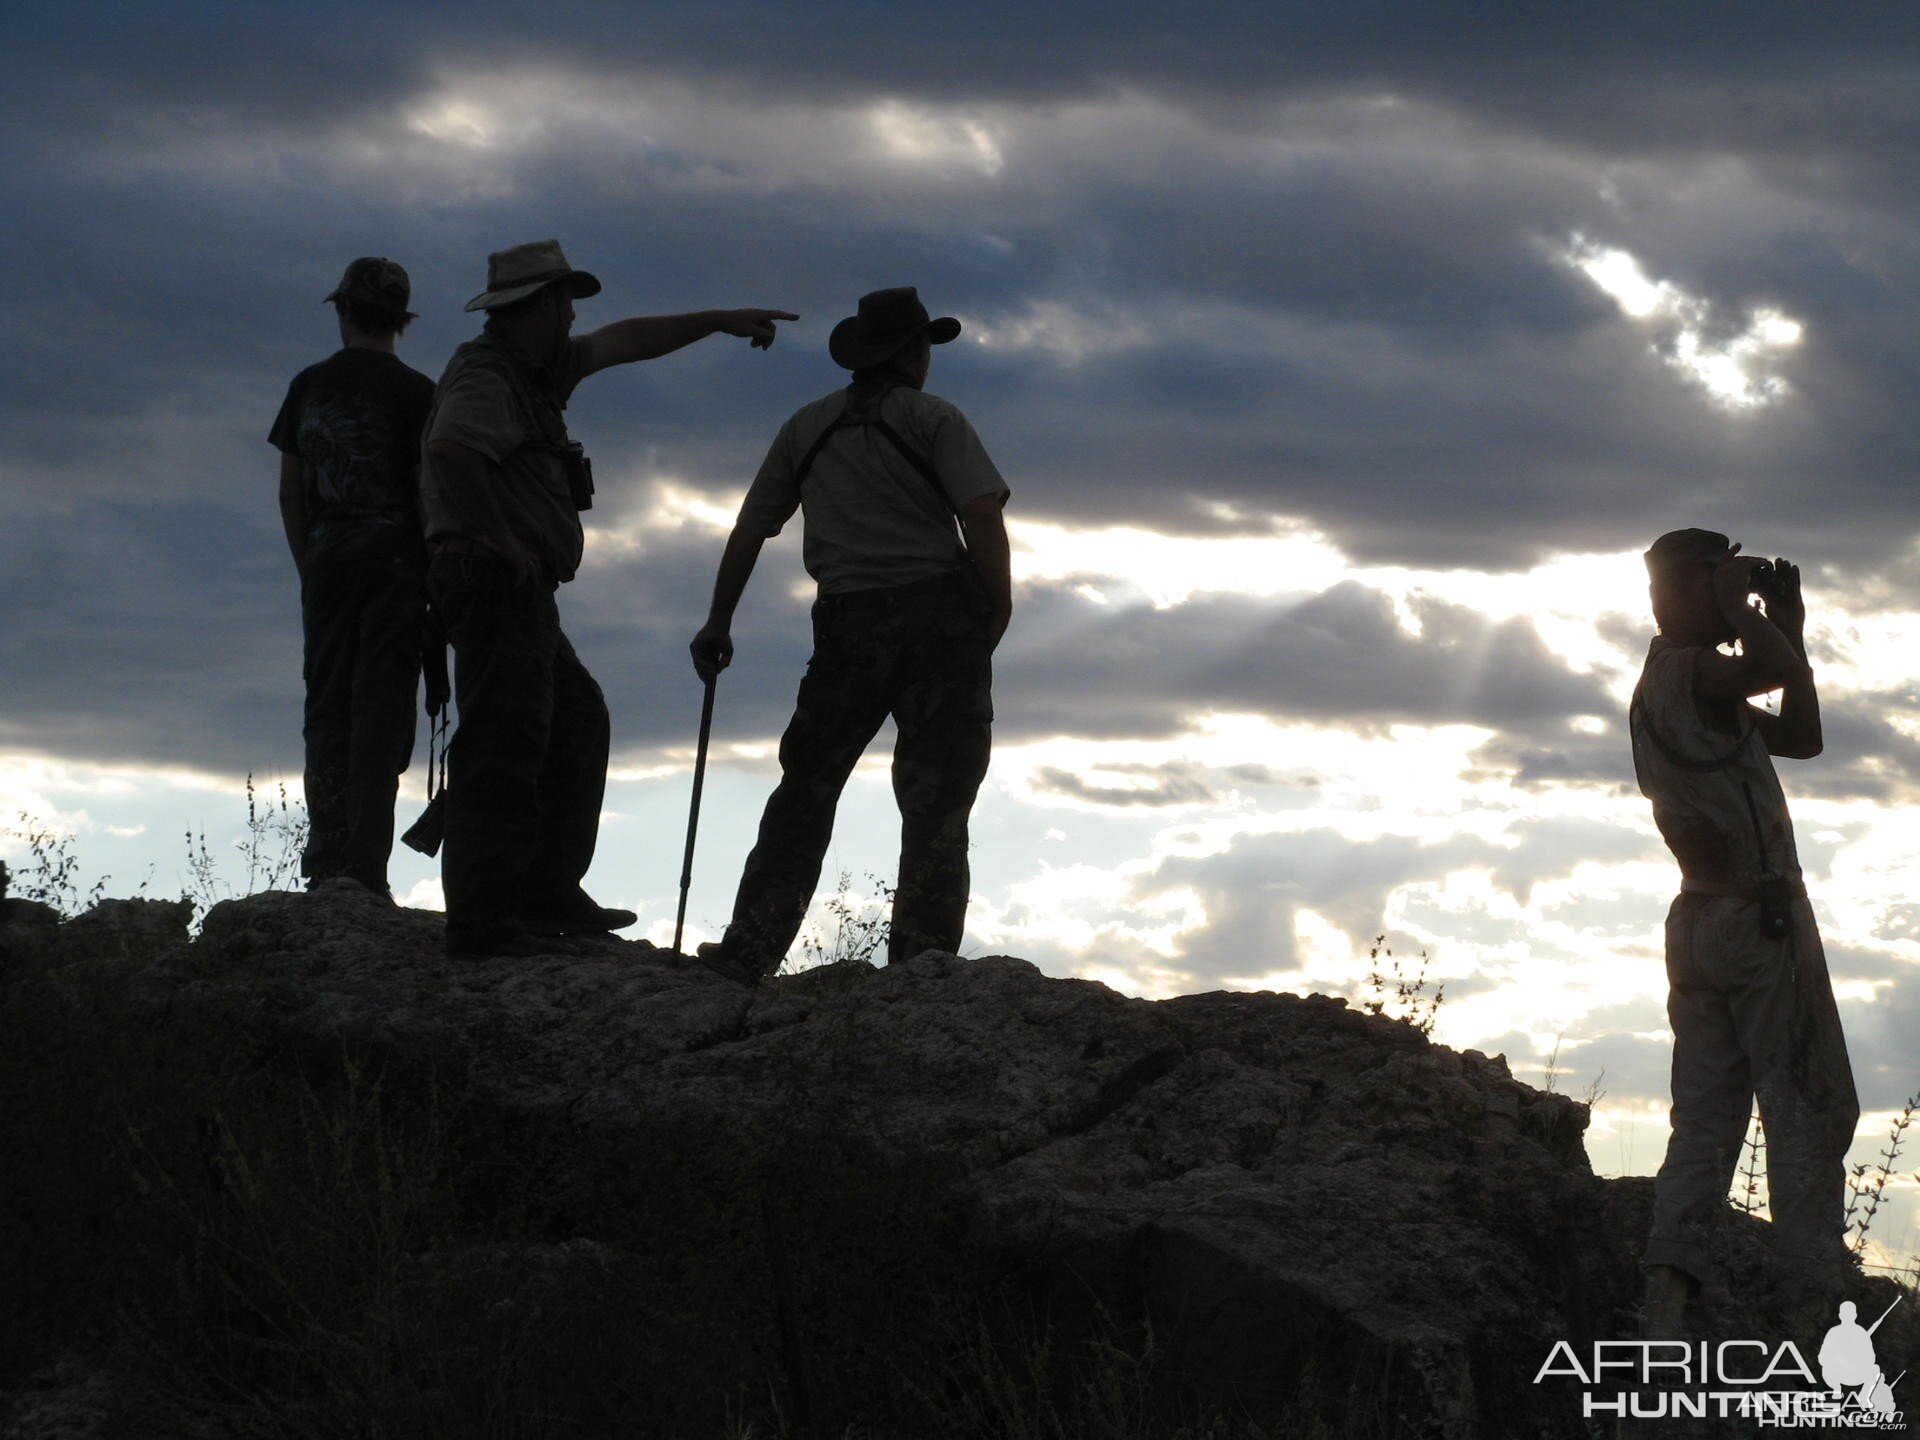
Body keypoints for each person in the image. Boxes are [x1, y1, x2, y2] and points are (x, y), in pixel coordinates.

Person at [422, 238, 795, 960]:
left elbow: (625, 341)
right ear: (532, 307)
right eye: (562, 301)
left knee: (573, 719)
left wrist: (718, 318)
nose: (571, 315)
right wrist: (502, 542)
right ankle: (482, 925)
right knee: (504, 742)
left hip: (513, 582)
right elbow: (451, 451)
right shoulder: (487, 374)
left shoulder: (538, 368)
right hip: (491, 577)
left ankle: (542, 890)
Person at [690, 286, 1012, 984]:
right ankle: (919, 967)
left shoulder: (807, 427)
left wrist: (720, 620)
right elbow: (981, 514)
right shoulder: (935, 419)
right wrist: (997, 606)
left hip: (846, 623)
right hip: (940, 622)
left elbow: (752, 528)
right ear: (914, 353)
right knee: (937, 804)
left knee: (806, 788)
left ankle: (751, 948)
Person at [1630, 528, 1859, 1337]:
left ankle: (1667, 1302)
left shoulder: (1681, 686)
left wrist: (1785, 631)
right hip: (1755, 922)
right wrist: (1747, 614)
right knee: (1809, 1107)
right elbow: (1770, 674)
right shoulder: (1689, 672)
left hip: (1700, 922)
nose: (1733, 592)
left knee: (1707, 1118)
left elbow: (1802, 737)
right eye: (1716, 581)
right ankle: (1813, 1313)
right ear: (1683, 591)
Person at [270, 257, 436, 900]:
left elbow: (291, 494)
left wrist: (310, 569)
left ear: (343, 310)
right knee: (382, 710)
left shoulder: (308, 385)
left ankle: (326, 859)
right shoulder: (421, 393)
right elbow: (429, 495)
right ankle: (365, 868)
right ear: (401, 319)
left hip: (329, 562)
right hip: (397, 562)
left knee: (327, 706)